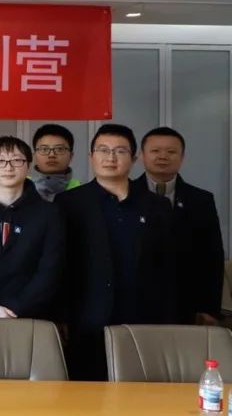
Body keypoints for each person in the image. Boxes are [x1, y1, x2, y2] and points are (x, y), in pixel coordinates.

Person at [56, 123, 177, 381]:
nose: (111, 158)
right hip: (87, 317)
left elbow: (168, 266)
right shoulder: (70, 203)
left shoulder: (156, 206)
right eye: (103, 150)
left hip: (143, 317)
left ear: (134, 158)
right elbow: (61, 265)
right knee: (87, 392)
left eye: (120, 151)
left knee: (142, 390)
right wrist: (61, 316)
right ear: (91, 157)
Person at [0, 136, 64, 320]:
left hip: (30, 316)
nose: (8, 167)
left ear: (28, 166)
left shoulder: (49, 213)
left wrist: (16, 307)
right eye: (0, 161)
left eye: (17, 160)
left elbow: (50, 270)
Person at [133, 127, 224, 326]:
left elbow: (212, 257)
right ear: (141, 156)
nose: (163, 156)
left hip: (184, 304)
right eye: (155, 151)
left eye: (171, 152)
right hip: (133, 304)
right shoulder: (124, 195)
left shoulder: (201, 200)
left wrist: (209, 309)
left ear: (182, 158)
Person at [30, 123, 82, 201]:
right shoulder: (20, 186)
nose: (51, 155)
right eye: (44, 149)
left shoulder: (81, 190)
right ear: (34, 156)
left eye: (59, 149)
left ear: (71, 156)